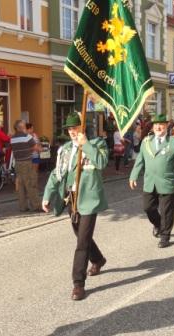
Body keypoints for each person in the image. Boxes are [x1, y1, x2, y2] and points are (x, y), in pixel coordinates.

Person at [42, 112, 108, 301]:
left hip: (88, 200)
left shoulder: (97, 144)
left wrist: (85, 144)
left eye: (75, 128)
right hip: (71, 199)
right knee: (81, 236)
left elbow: (102, 162)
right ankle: (98, 259)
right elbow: (57, 173)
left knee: (81, 243)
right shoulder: (64, 149)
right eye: (70, 129)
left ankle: (78, 284)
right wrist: (47, 195)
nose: (72, 132)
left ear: (83, 127)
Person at [129, 114, 174, 248]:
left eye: (161, 125)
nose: (158, 127)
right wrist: (133, 175)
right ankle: (158, 224)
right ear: (152, 126)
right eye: (156, 125)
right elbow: (140, 160)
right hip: (150, 182)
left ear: (166, 126)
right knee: (148, 208)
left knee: (166, 211)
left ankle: (165, 236)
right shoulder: (146, 142)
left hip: (166, 181)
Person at [11, 120, 41, 212]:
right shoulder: (27, 137)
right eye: (24, 125)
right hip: (27, 163)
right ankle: (36, 206)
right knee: (31, 184)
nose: (25, 127)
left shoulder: (12, 138)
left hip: (18, 163)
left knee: (20, 185)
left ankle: (23, 206)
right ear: (21, 127)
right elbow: (36, 148)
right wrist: (39, 148)